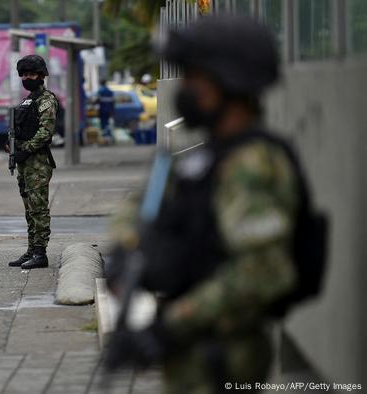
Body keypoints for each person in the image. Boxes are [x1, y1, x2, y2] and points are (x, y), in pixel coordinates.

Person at [107, 16, 306, 393]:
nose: (184, 89)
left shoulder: (253, 164)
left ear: (227, 82)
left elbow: (260, 274)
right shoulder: (206, 158)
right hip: (195, 355)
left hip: (224, 359)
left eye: (193, 77)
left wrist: (168, 327)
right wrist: (124, 247)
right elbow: (145, 204)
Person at [7, 55, 58, 270]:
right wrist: (13, 145)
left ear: (41, 75)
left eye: (32, 74)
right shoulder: (29, 101)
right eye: (24, 75)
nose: (27, 78)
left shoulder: (46, 100)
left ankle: (40, 253)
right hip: (25, 163)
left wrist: (24, 150)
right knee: (29, 209)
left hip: (37, 163)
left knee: (39, 209)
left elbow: (45, 132)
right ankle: (31, 249)